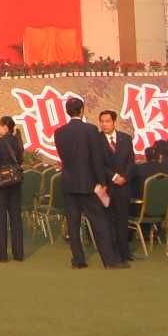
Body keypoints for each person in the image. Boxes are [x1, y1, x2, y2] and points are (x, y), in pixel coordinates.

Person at [53, 97, 124, 269]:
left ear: (67, 111)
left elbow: (64, 157)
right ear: (82, 110)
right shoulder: (91, 130)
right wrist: (101, 182)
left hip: (69, 184)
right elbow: (96, 159)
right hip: (89, 184)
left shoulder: (59, 132)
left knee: (73, 225)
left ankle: (78, 260)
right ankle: (109, 260)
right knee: (100, 223)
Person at [98, 110, 135, 263]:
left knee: (122, 220)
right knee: (108, 221)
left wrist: (124, 177)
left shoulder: (126, 138)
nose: (104, 124)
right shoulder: (96, 140)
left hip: (123, 186)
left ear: (114, 122)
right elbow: (98, 164)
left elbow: (131, 162)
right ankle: (112, 253)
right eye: (102, 121)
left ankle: (124, 252)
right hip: (107, 186)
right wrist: (114, 177)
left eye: (107, 121)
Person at [0, 116, 24, 262]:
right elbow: (20, 160)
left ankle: (2, 255)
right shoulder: (18, 141)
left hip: (1, 184)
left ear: (5, 127)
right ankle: (19, 254)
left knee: (1, 219)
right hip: (15, 183)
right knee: (16, 219)